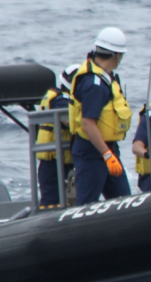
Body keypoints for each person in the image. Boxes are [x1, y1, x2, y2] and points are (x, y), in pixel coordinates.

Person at [68, 27, 133, 206]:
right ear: (117, 56)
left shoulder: (104, 78)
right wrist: (106, 155)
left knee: (123, 201)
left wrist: (109, 154)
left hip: (107, 150)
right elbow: (88, 124)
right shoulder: (94, 84)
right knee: (87, 204)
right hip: (93, 152)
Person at [35, 64, 79, 206]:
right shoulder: (60, 100)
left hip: (61, 160)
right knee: (52, 200)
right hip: (53, 162)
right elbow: (67, 121)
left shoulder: (58, 97)